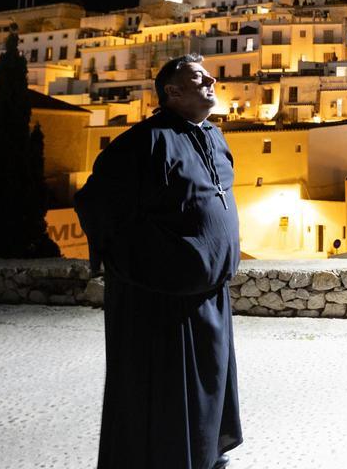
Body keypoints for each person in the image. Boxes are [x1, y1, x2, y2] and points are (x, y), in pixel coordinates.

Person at [75, 54, 242, 469]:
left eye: (210, 74)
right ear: (172, 91)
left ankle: (207, 458)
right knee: (166, 402)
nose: (212, 79)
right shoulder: (144, 141)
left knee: (210, 392)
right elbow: (97, 204)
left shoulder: (216, 138)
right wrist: (158, 264)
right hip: (162, 306)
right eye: (198, 76)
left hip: (211, 298)